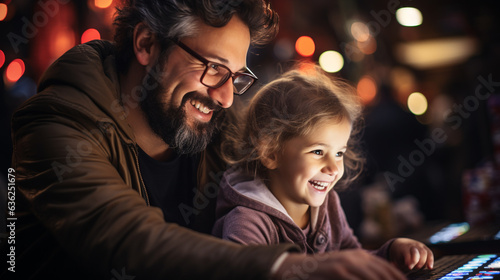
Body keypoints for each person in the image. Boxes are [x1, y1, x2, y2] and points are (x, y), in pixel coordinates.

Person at [2, 0, 410, 279]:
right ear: (146, 44)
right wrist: (280, 268)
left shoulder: (215, 126)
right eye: (213, 68)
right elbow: (129, 238)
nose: (227, 96)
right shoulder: (53, 126)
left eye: (236, 77)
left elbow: (291, 176)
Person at [213, 65, 434, 273]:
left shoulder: (330, 205)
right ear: (271, 153)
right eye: (318, 152)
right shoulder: (247, 220)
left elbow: (352, 261)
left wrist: (390, 253)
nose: (333, 167)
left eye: (339, 153)